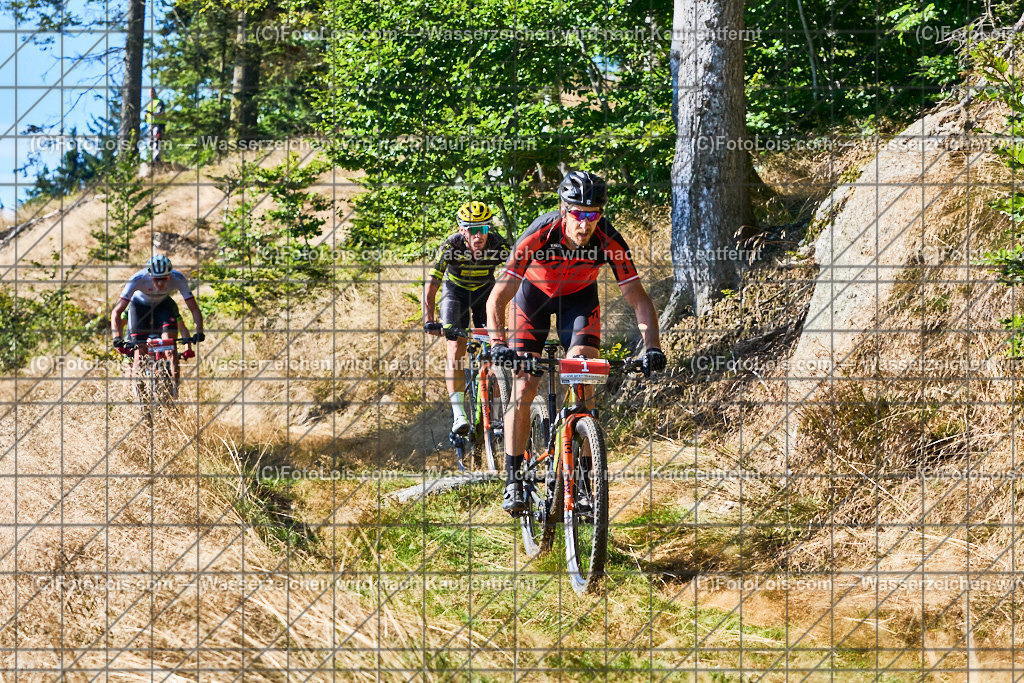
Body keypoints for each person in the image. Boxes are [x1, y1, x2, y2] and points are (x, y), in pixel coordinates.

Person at [486, 171, 667, 515]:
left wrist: (653, 347)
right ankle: (513, 479)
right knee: (525, 385)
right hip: (532, 301)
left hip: (579, 302)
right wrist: (497, 342)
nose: (585, 224)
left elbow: (638, 299)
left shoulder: (608, 240)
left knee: (583, 379)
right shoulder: (539, 234)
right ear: (563, 209)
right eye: (578, 214)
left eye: (593, 214)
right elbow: (498, 297)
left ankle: (583, 483)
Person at [423, 201, 511, 436]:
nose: (478, 235)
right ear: (462, 230)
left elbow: (520, 272)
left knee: (496, 348)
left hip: (485, 293)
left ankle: (493, 407)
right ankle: (459, 414)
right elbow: (433, 283)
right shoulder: (450, 246)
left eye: (483, 229)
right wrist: (429, 319)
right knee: (456, 346)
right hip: (456, 294)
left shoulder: (498, 244)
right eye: (472, 229)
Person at [110, 255, 205, 398]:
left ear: (170, 275)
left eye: (165, 279)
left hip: (163, 306)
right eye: (156, 279)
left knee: (170, 348)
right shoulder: (137, 279)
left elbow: (194, 309)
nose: (160, 284)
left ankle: (174, 391)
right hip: (139, 307)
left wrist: (199, 332)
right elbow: (116, 312)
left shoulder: (177, 277)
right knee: (140, 352)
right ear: (149, 276)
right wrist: (117, 337)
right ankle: (138, 394)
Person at [145, 88, 166, 163]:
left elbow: (161, 112)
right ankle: (153, 157)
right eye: (150, 92)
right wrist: (146, 117)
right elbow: (148, 115)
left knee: (157, 140)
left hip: (158, 125)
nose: (151, 94)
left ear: (155, 93)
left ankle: (157, 158)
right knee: (150, 141)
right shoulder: (149, 103)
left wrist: (153, 114)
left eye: (152, 92)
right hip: (150, 125)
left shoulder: (159, 102)